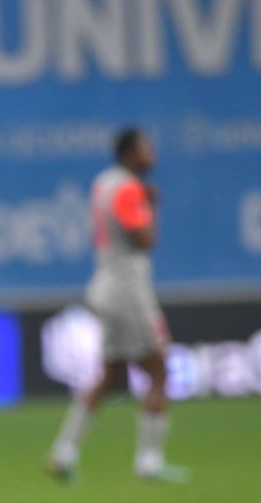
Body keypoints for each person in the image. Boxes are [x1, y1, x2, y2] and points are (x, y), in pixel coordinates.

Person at [47, 127, 187, 483]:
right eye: (146, 148)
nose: (151, 155)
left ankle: (63, 452)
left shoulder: (104, 182)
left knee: (110, 375)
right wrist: (148, 207)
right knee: (158, 368)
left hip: (105, 284)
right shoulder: (128, 189)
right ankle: (149, 461)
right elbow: (144, 238)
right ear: (130, 153)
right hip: (127, 289)